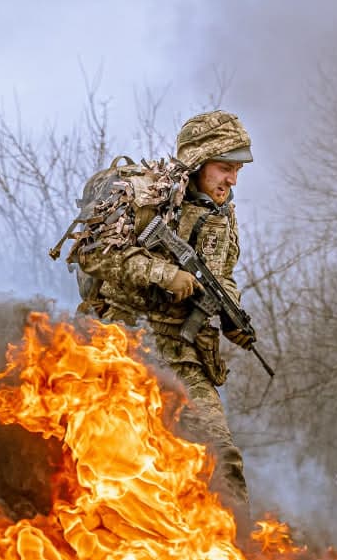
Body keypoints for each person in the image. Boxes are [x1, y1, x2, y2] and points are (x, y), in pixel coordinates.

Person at [76, 110, 255, 516]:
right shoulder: (141, 195)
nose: (232, 180)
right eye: (225, 168)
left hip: (182, 352)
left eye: (238, 170)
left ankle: (239, 546)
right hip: (121, 344)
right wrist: (163, 274)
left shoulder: (221, 214)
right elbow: (93, 254)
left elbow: (223, 274)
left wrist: (231, 316)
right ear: (198, 161)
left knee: (221, 458)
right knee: (115, 464)